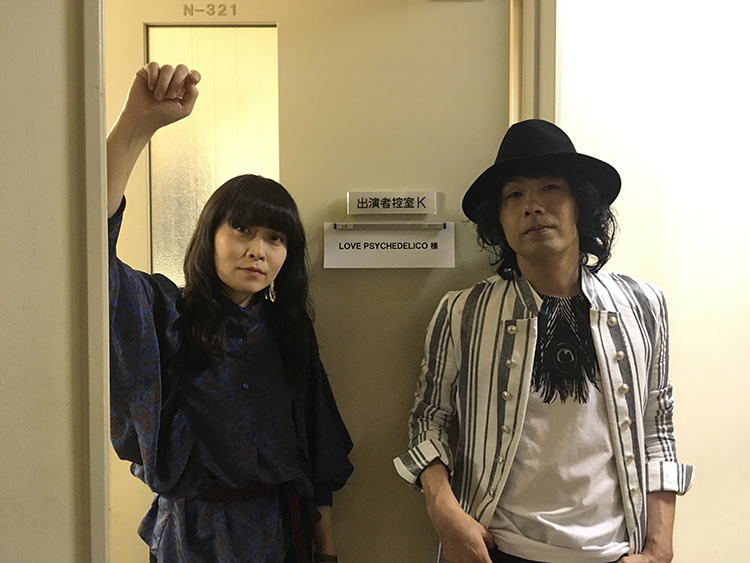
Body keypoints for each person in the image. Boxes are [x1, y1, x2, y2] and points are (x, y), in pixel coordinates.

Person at [394, 119, 694, 563]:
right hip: (498, 547)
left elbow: (658, 425)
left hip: (614, 550)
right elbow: (428, 419)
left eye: (550, 188)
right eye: (514, 195)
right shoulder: (461, 312)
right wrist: (443, 511)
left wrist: (660, 546)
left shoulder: (643, 305)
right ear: (499, 219)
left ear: (580, 205)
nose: (532, 206)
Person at [107, 62, 353, 563]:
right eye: (242, 230)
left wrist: (327, 551)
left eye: (275, 238)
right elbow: (88, 254)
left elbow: (316, 447)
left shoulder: (288, 329)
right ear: (210, 235)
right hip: (191, 536)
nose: (258, 250)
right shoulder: (164, 313)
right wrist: (136, 126)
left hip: (280, 533)